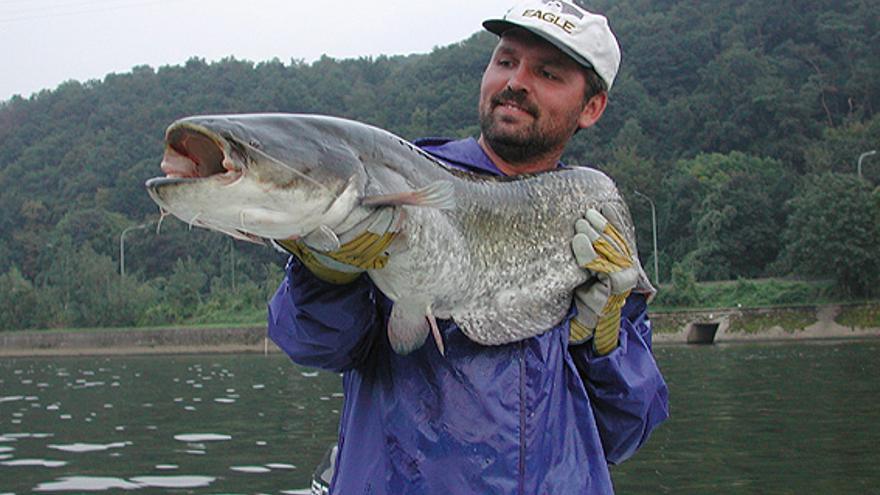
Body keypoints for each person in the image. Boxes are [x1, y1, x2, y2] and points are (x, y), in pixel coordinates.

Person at [268, 1, 669, 493]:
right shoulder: (397, 185)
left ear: (591, 107)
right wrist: (325, 274)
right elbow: (314, 346)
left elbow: (626, 431)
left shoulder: (595, 223)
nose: (516, 81)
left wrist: (606, 341)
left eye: (546, 72)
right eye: (505, 61)